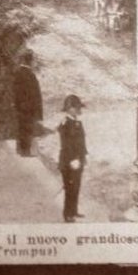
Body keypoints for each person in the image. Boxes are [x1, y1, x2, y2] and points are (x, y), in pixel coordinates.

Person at [58, 94, 87, 222]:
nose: (79, 110)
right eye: (76, 108)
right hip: (69, 161)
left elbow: (81, 142)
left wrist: (83, 156)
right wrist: (72, 160)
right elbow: (66, 144)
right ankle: (67, 213)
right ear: (70, 109)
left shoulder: (76, 122)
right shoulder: (65, 124)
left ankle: (74, 210)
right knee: (69, 187)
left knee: (76, 186)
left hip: (78, 160)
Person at [13, 50, 43, 156]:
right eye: (33, 60)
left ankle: (22, 149)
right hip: (26, 107)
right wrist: (25, 105)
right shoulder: (25, 73)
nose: (34, 62)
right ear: (29, 61)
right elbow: (21, 92)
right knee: (26, 128)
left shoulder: (21, 72)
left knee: (24, 128)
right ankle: (24, 151)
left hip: (24, 107)